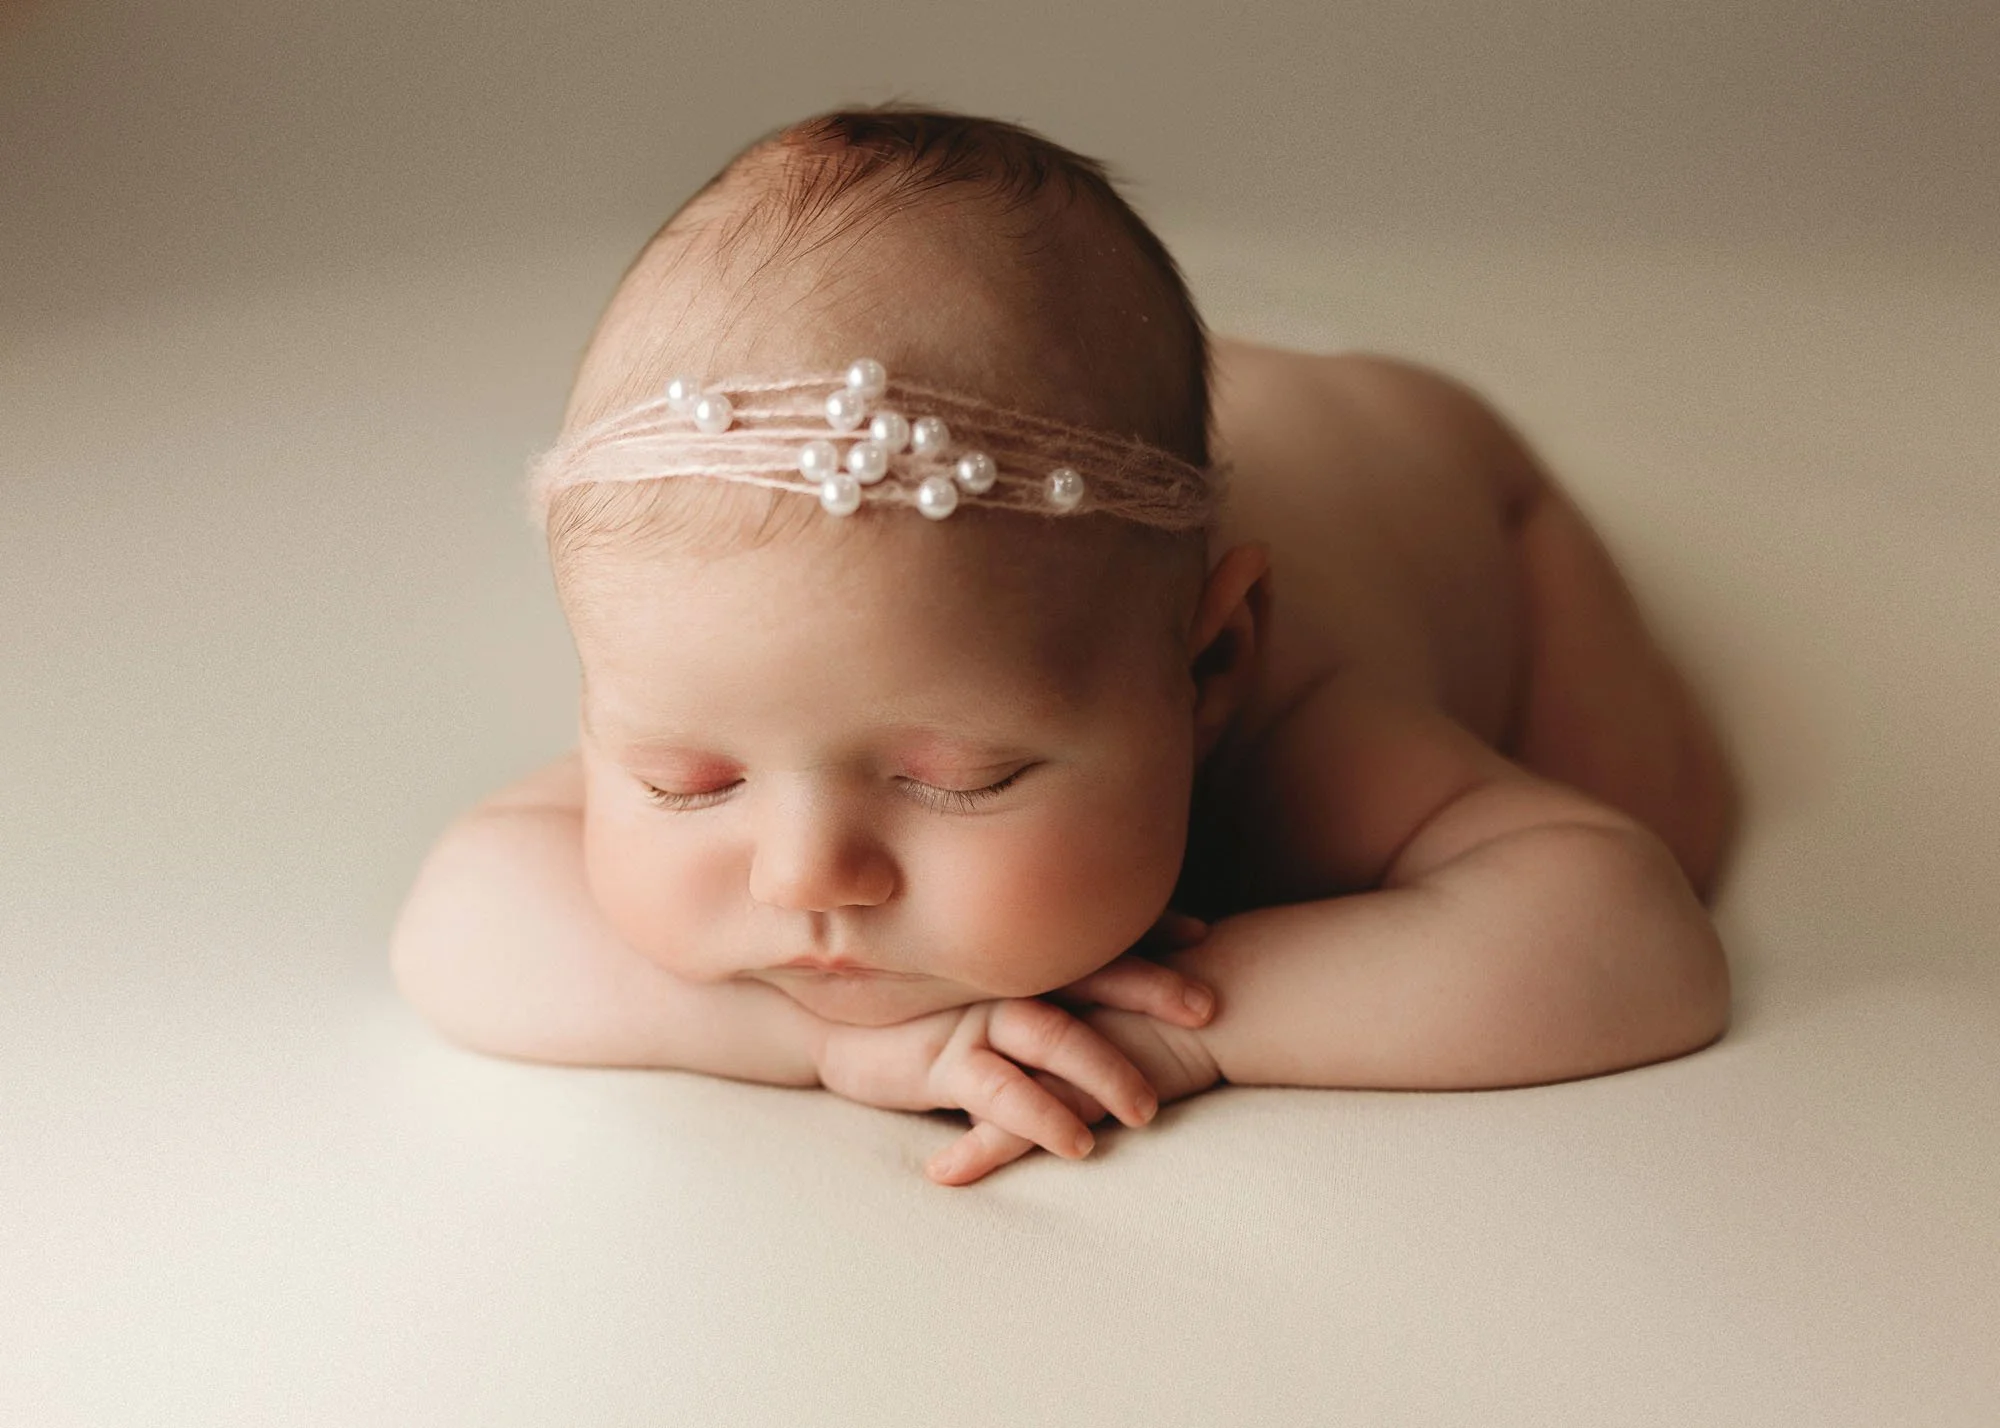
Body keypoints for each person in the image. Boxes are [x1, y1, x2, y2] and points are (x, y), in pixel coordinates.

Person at [391, 105, 1737, 1186]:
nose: (811, 876)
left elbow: (1637, 942)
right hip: (1121, 453)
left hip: (1433, 464)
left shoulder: (1305, 718)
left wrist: (1185, 1021)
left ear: (1208, 671)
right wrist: (814, 1043)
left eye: (951, 777)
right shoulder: (757, 642)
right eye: (687, 783)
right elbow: (456, 921)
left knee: (1675, 827)